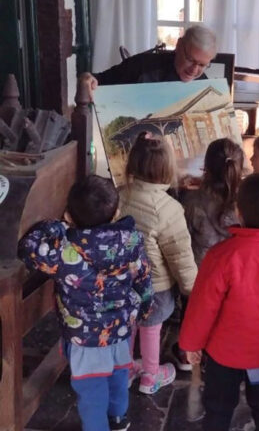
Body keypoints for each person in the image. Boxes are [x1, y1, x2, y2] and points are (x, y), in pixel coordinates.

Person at [17, 175, 153, 431]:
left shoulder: (65, 251)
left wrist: (53, 226)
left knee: (92, 390)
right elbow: (144, 277)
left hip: (85, 338)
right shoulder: (132, 240)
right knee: (118, 375)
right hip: (121, 329)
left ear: (69, 216)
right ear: (117, 213)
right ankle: (118, 419)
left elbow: (28, 248)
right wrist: (144, 308)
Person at [179, 173, 259, 431]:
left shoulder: (221, 256)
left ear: (238, 211)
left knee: (218, 407)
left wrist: (191, 344)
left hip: (223, 354)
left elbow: (202, 307)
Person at [119, 132, 197, 391]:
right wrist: (191, 288)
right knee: (151, 327)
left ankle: (125, 370)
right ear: (167, 168)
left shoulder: (119, 196)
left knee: (128, 324)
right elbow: (180, 256)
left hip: (123, 280)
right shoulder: (169, 209)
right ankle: (151, 376)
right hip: (156, 285)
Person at [78, 24, 217, 98]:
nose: (194, 70)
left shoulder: (204, 85)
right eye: (190, 59)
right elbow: (99, 80)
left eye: (202, 65)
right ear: (179, 45)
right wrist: (87, 78)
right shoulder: (142, 66)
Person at [183, 138, 244, 266]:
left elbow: (184, 245)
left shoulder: (192, 203)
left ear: (206, 167)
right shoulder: (249, 201)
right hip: (238, 270)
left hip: (204, 271)